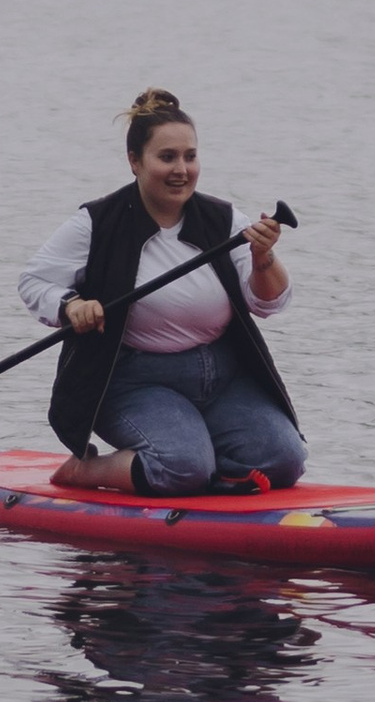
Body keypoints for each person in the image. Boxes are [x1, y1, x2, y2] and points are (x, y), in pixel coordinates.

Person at [21, 90, 305, 497]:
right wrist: (72, 306)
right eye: (167, 157)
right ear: (134, 161)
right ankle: (88, 469)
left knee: (284, 459)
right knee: (183, 468)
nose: (181, 170)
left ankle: (196, 458)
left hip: (222, 375)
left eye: (190, 157)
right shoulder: (96, 222)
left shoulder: (224, 220)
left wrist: (263, 256)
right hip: (133, 380)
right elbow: (34, 282)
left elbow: (269, 302)